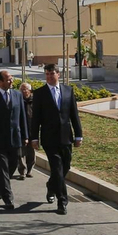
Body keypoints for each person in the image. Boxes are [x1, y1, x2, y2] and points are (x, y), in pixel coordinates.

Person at [30, 64, 82, 213]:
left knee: (66, 167)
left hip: (66, 137)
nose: (49, 77)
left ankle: (51, 185)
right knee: (57, 169)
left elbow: (74, 114)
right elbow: (36, 118)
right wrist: (34, 138)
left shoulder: (68, 90)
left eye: (51, 74)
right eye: (46, 74)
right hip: (49, 138)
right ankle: (62, 201)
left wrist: (79, 135)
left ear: (58, 74)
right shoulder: (39, 93)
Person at [0, 70, 29, 211]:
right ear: (0, 82)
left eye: (11, 78)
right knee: (2, 167)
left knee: (13, 165)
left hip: (15, 138)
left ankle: (1, 185)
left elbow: (22, 116)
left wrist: (25, 135)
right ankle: (8, 197)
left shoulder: (17, 95)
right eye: (8, 79)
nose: (11, 81)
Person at [19, 81, 37, 179]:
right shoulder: (18, 100)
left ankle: (30, 170)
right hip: (21, 129)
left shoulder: (35, 101)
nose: (23, 91)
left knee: (31, 151)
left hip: (32, 129)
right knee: (21, 151)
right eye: (21, 89)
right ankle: (22, 171)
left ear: (30, 91)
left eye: (25, 89)